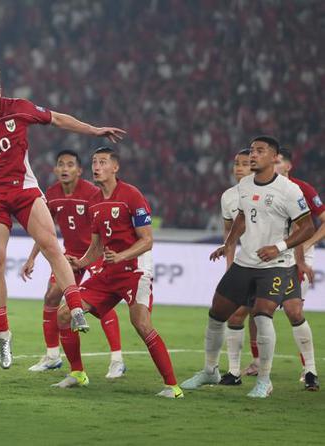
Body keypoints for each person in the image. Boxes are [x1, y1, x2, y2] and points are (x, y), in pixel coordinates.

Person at [0, 65, 126, 369]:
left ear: (0, 91)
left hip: (22, 189)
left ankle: (76, 308)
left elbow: (58, 118)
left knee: (51, 245)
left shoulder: (19, 108)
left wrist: (93, 130)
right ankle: (3, 336)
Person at [181, 136, 314, 398]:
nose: (253, 155)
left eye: (259, 151)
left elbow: (308, 227)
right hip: (245, 262)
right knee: (217, 313)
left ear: (274, 158)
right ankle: (210, 371)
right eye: (252, 150)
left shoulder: (289, 190)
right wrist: (228, 244)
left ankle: (264, 381)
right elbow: (241, 217)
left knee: (262, 315)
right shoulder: (244, 185)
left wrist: (279, 247)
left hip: (275, 265)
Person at [52, 147, 181, 398]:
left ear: (115, 167)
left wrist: (122, 256)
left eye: (102, 162)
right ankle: (77, 373)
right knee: (65, 314)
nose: (96, 167)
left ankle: (173, 386)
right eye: (94, 162)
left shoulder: (131, 195)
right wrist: (81, 263)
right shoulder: (94, 202)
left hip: (136, 270)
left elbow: (147, 240)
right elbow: (97, 246)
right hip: (109, 271)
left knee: (141, 323)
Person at [20, 150, 124, 376]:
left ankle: (117, 359)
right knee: (51, 296)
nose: (65, 169)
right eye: (61, 164)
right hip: (69, 256)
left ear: (79, 170)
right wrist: (32, 257)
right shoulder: (52, 194)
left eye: (70, 165)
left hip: (95, 254)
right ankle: (52, 356)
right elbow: (44, 231)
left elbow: (104, 226)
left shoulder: (92, 193)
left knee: (100, 303)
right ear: (55, 169)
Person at [217, 148, 255, 385]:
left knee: (288, 315)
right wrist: (229, 265)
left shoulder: (270, 192)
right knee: (236, 315)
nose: (239, 168)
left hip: (274, 264)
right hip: (245, 263)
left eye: (245, 164)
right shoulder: (228, 197)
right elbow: (228, 233)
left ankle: (308, 370)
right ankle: (233, 372)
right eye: (236, 163)